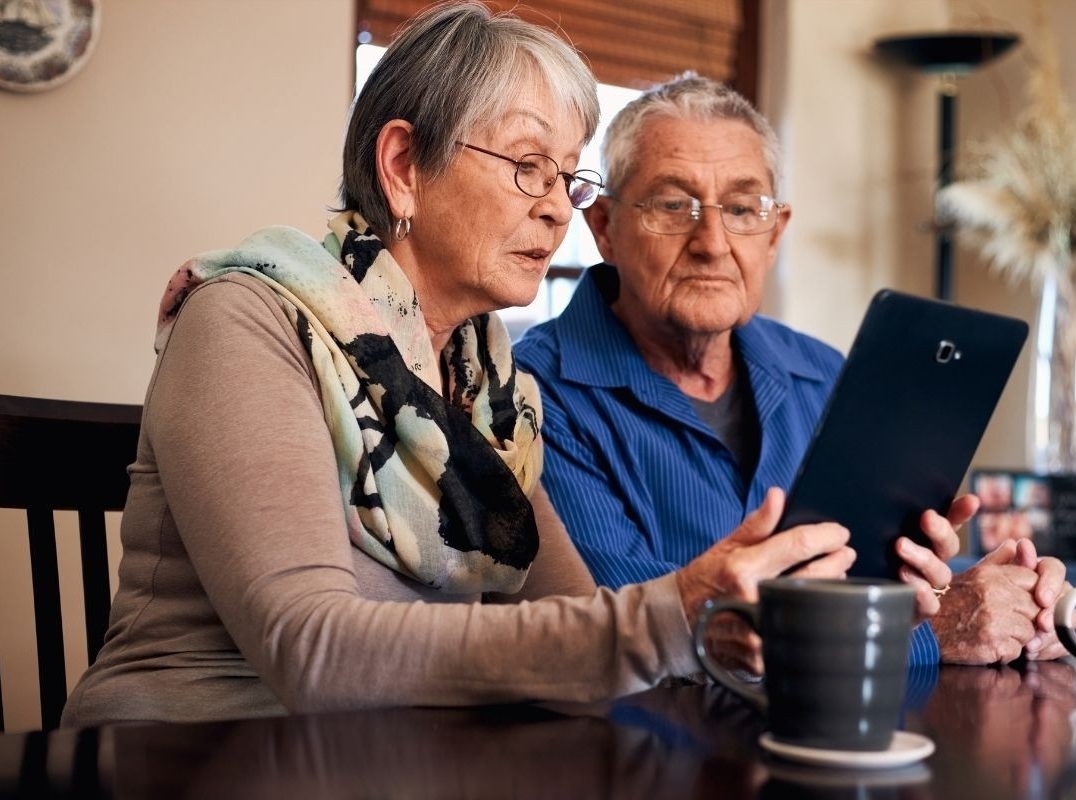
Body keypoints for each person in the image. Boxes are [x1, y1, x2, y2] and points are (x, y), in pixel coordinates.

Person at [60, 4, 957, 727]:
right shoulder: (249, 319)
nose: (558, 214)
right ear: (405, 165)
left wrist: (747, 621)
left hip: (403, 756)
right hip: (195, 754)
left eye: (568, 179)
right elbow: (310, 651)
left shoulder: (487, 389)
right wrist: (676, 613)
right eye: (528, 166)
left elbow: (571, 625)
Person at [515, 74, 1072, 666]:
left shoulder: (825, 374)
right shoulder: (529, 393)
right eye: (674, 205)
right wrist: (932, 630)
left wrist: (997, 600)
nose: (712, 241)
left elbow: (892, 583)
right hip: (643, 750)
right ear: (604, 228)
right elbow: (631, 634)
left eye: (742, 208)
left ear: (774, 233)